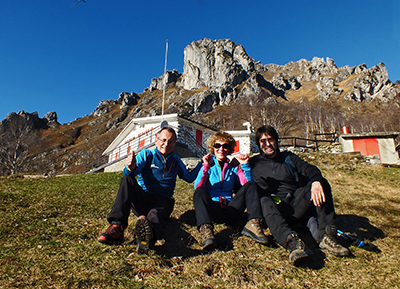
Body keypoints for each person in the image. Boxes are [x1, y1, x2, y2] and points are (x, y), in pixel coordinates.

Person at [249, 125, 350, 265]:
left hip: (296, 202)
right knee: (265, 200)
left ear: (276, 140)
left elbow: (310, 169)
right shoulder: (253, 163)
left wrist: (315, 182)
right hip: (274, 206)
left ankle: (328, 237)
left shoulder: (289, 157)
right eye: (263, 141)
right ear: (259, 144)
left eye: (270, 139)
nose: (267, 144)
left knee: (322, 183)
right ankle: (292, 243)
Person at [98, 126, 202, 254]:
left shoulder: (176, 161)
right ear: (156, 140)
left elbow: (189, 177)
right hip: (143, 199)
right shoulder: (147, 155)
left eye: (170, 141)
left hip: (163, 202)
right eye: (163, 140)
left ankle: (148, 237)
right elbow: (131, 174)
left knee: (156, 214)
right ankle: (117, 226)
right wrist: (130, 167)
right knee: (127, 180)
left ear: (174, 144)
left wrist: (202, 164)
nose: (166, 144)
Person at [193, 131, 268, 250]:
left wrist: (245, 166)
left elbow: (248, 185)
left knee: (252, 185)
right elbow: (198, 186)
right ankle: (206, 231)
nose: (221, 149)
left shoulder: (233, 167)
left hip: (230, 207)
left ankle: (253, 223)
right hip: (213, 209)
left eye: (225, 146)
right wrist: (206, 167)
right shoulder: (208, 164)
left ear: (230, 149)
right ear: (213, 148)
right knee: (200, 191)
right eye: (217, 145)